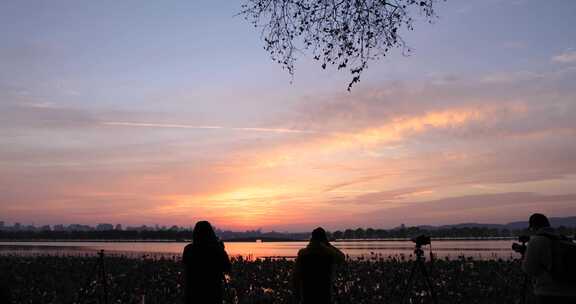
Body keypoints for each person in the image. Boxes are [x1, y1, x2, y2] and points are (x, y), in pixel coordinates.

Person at [521, 213, 576, 304]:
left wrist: (524, 254)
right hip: (572, 292)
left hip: (548, 293)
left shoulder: (536, 241)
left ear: (534, 226)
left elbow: (529, 270)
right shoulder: (564, 240)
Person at [182, 221, 231, 304]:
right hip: (213, 293)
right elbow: (227, 268)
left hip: (192, 293)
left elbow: (185, 267)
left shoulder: (188, 249)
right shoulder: (217, 249)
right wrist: (221, 249)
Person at [293, 227, 345, 304]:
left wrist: (297, 295)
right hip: (325, 293)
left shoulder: (303, 254)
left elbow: (296, 276)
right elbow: (341, 257)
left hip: (307, 293)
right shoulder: (329, 254)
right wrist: (328, 245)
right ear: (324, 239)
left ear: (312, 238)